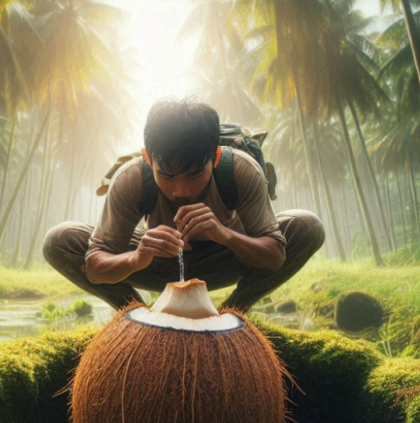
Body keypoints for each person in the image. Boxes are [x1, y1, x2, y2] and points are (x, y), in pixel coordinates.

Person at [43, 97, 324, 312]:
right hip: (156, 265)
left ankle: (233, 313)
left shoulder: (241, 171)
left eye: (195, 174)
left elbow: (275, 256)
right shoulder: (130, 179)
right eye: (166, 175)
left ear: (214, 158)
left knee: (307, 226)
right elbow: (94, 266)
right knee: (60, 239)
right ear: (148, 159)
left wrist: (223, 234)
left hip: (224, 260)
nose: (181, 190)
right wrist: (137, 257)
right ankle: (136, 316)